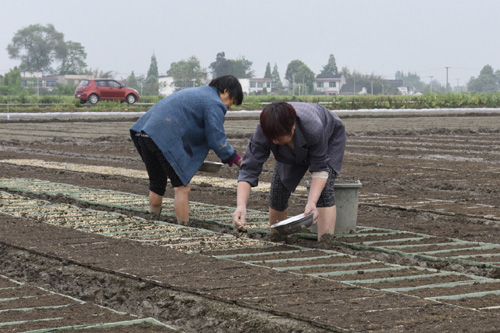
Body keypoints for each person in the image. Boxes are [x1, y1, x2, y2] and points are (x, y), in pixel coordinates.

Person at [130, 75, 243, 224]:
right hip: (161, 136)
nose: (229, 106)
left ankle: (153, 220)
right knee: (182, 186)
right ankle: (183, 229)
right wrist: (237, 160)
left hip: (143, 132)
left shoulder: (199, 93)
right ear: (225, 90)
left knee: (157, 182)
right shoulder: (214, 102)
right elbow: (216, 138)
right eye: (232, 101)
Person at [232, 101, 346, 241]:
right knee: (278, 189)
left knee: (324, 191)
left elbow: (320, 170)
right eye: (271, 138)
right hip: (289, 146)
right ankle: (276, 237)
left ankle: (325, 241)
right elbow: (248, 169)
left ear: (293, 127)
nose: (273, 142)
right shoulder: (264, 130)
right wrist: (241, 206)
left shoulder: (313, 128)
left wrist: (311, 202)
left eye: (277, 138)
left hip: (329, 137)